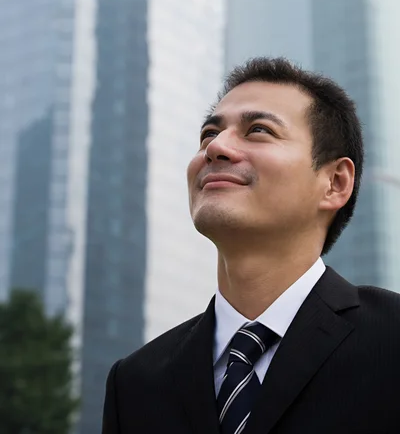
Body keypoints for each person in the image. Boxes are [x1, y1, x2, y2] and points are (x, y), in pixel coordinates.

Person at [102, 57, 400, 434]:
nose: (216, 148)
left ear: (335, 183)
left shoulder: (390, 342)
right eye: (209, 134)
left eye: (258, 130)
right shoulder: (134, 384)